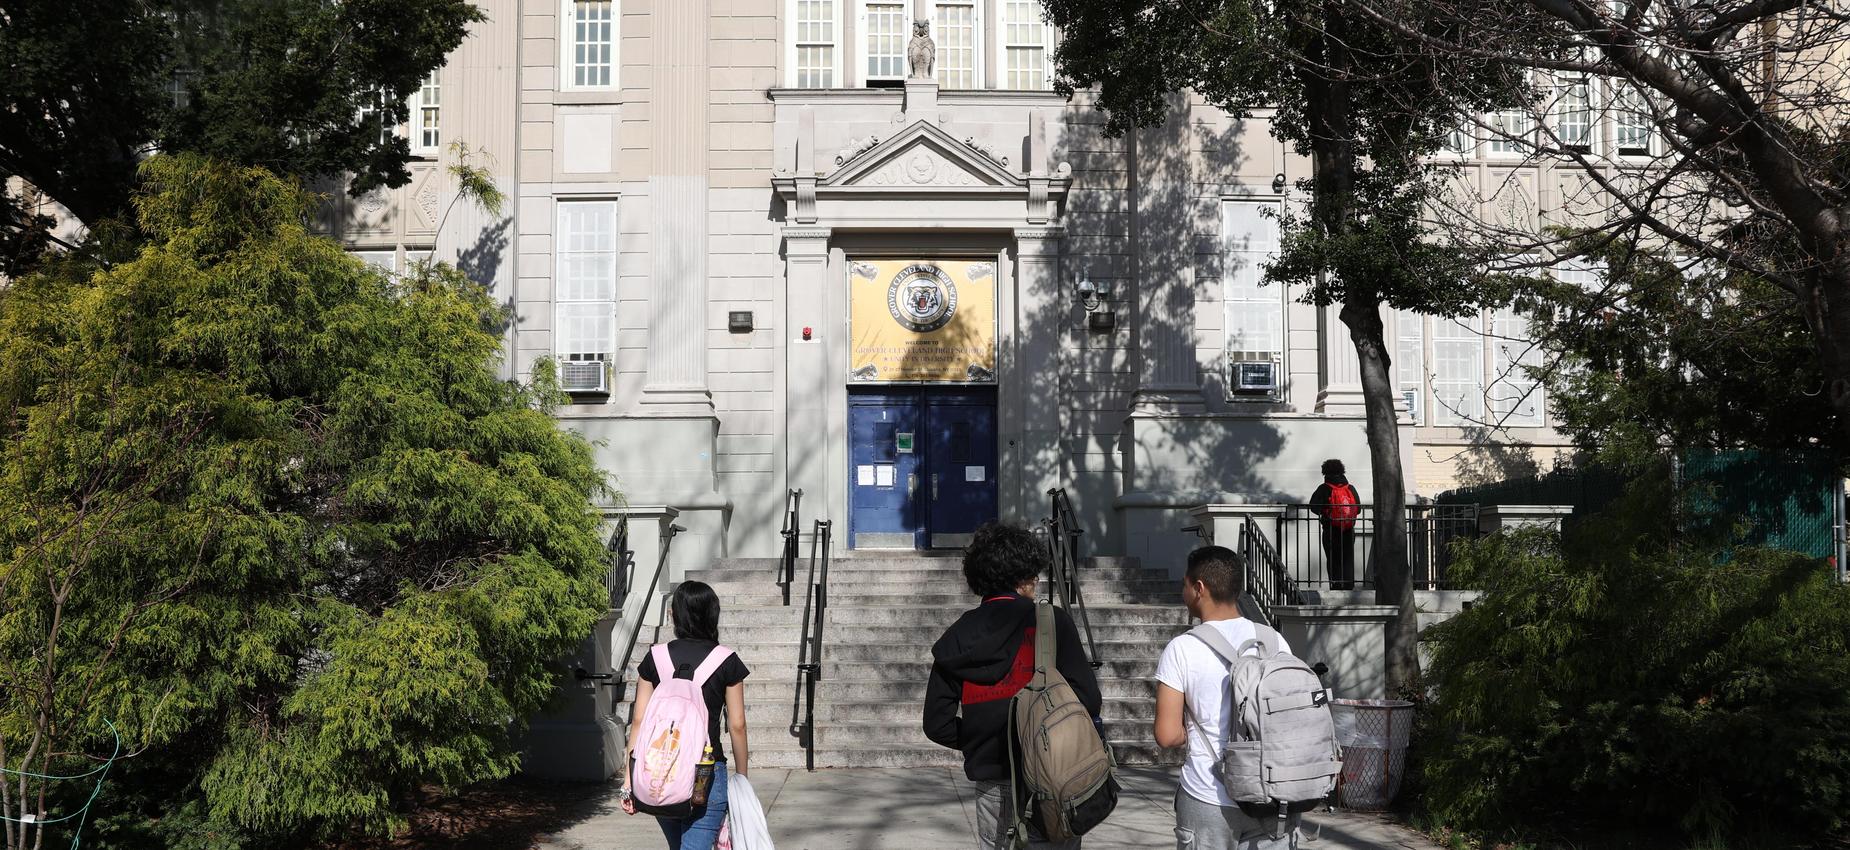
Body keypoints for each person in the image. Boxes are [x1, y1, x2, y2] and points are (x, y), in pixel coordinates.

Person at [924, 522, 1104, 850]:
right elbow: (1088, 700)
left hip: (993, 782)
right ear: (1024, 577)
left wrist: (981, 740)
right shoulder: (1051, 622)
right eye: (1034, 576)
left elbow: (936, 724)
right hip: (1055, 777)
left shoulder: (955, 639)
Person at [1153, 546, 1301, 850]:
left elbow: (1167, 736)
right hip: (1274, 793)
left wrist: (1192, 732)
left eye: (1184, 584)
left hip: (1210, 795)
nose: (1183, 590)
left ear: (1199, 588)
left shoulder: (1182, 649)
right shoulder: (1274, 640)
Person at [622, 580, 751, 850]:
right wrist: (742, 777)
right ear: (712, 614)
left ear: (676, 614)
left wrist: (628, 781)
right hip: (707, 774)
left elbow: (638, 721)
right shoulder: (726, 660)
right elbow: (737, 725)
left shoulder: (654, 658)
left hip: (660, 772)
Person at [1308, 459, 1359, 591]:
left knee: (1333, 559)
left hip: (1331, 529)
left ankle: (1336, 586)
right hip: (1348, 530)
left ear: (1325, 472)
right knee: (1347, 558)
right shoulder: (1350, 488)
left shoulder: (1324, 488)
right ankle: (1348, 586)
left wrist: (1324, 511)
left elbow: (1313, 506)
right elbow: (1357, 508)